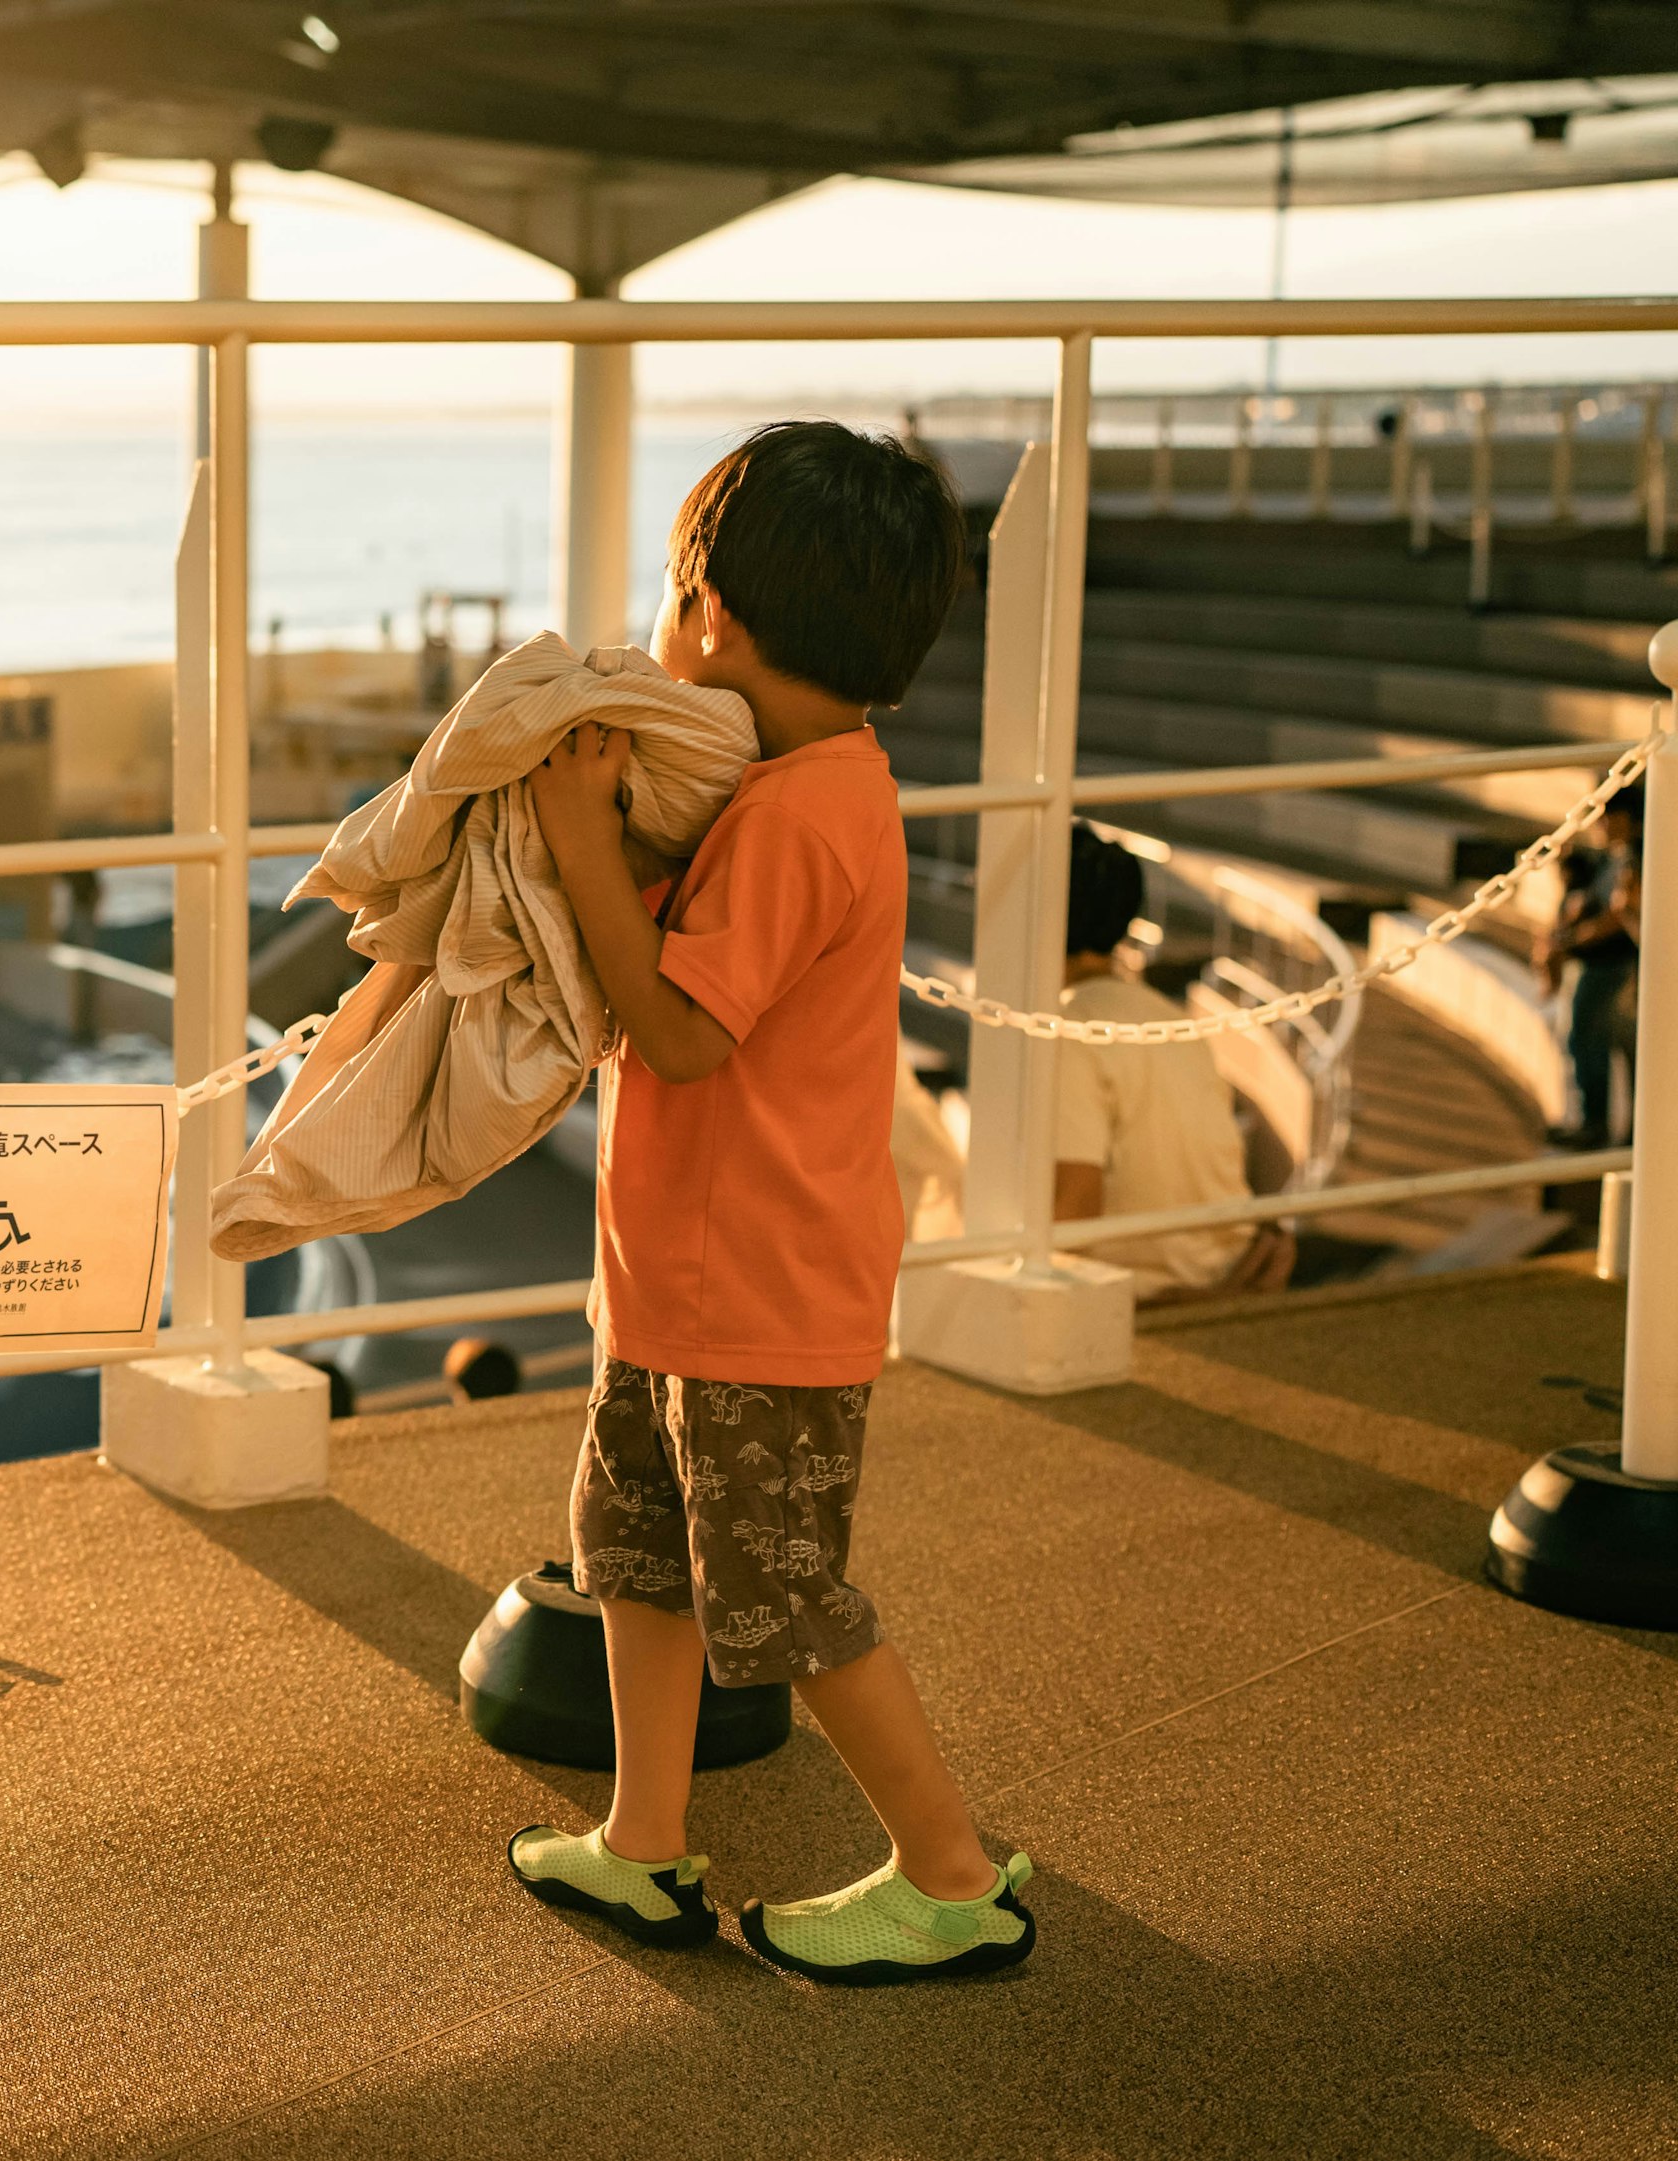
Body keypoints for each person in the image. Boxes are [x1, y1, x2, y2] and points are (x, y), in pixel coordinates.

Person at [503, 420, 1037, 1983]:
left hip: (757, 1288)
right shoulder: (799, 779)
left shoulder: (808, 814)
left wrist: (583, 838)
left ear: (715, 613)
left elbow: (677, 1027)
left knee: (788, 1600)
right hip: (682, 1273)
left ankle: (953, 1875)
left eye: (675, 600)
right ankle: (644, 1841)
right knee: (638, 1550)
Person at [1050, 828, 1292, 1301]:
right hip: (1224, 1266)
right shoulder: (1169, 1018)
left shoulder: (1064, 1030)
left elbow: (1073, 1210)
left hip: (1153, 1294)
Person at [1541, 782, 1640, 1150]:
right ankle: (1616, 1130)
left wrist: (1568, 942)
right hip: (1607, 966)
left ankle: (1597, 1125)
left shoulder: (1634, 855)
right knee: (1612, 1045)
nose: (1600, 824)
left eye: (1607, 816)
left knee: (1590, 1040)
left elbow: (1616, 916)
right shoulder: (1613, 856)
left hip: (1613, 966)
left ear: (1624, 817)